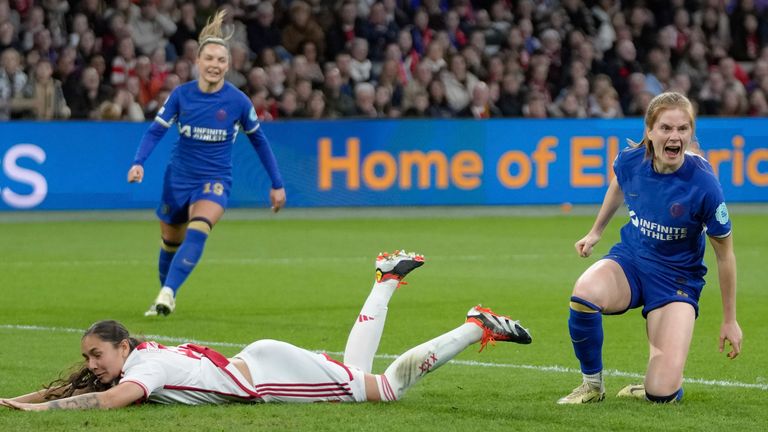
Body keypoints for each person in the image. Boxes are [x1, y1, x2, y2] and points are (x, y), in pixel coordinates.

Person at [0, 251, 532, 410]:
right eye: (90, 357)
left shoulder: (146, 368)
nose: (92, 366)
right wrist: (16, 400)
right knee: (357, 373)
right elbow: (76, 387)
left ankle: (472, 327)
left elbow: (101, 402)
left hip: (268, 378)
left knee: (383, 391)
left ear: (122, 347)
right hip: (262, 362)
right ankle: (387, 280)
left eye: (97, 355)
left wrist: (41, 411)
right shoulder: (138, 357)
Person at [557, 92, 742, 405]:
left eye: (683, 129)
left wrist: (729, 320)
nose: (674, 136)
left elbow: (725, 255)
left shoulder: (705, 185)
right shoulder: (631, 160)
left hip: (677, 281)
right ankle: (591, 385)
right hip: (631, 260)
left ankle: (659, 383)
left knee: (662, 393)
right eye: (666, 128)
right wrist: (595, 232)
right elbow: (619, 182)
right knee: (584, 293)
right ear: (650, 131)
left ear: (690, 134)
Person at [126, 10, 286, 317]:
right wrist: (138, 162)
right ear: (198, 62)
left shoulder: (238, 101)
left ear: (228, 64)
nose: (215, 65)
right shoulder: (181, 96)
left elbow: (259, 142)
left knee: (200, 227)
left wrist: (277, 184)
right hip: (178, 180)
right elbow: (156, 130)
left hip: (215, 179)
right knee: (170, 241)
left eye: (221, 60)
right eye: (209, 59)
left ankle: (168, 292)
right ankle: (165, 294)